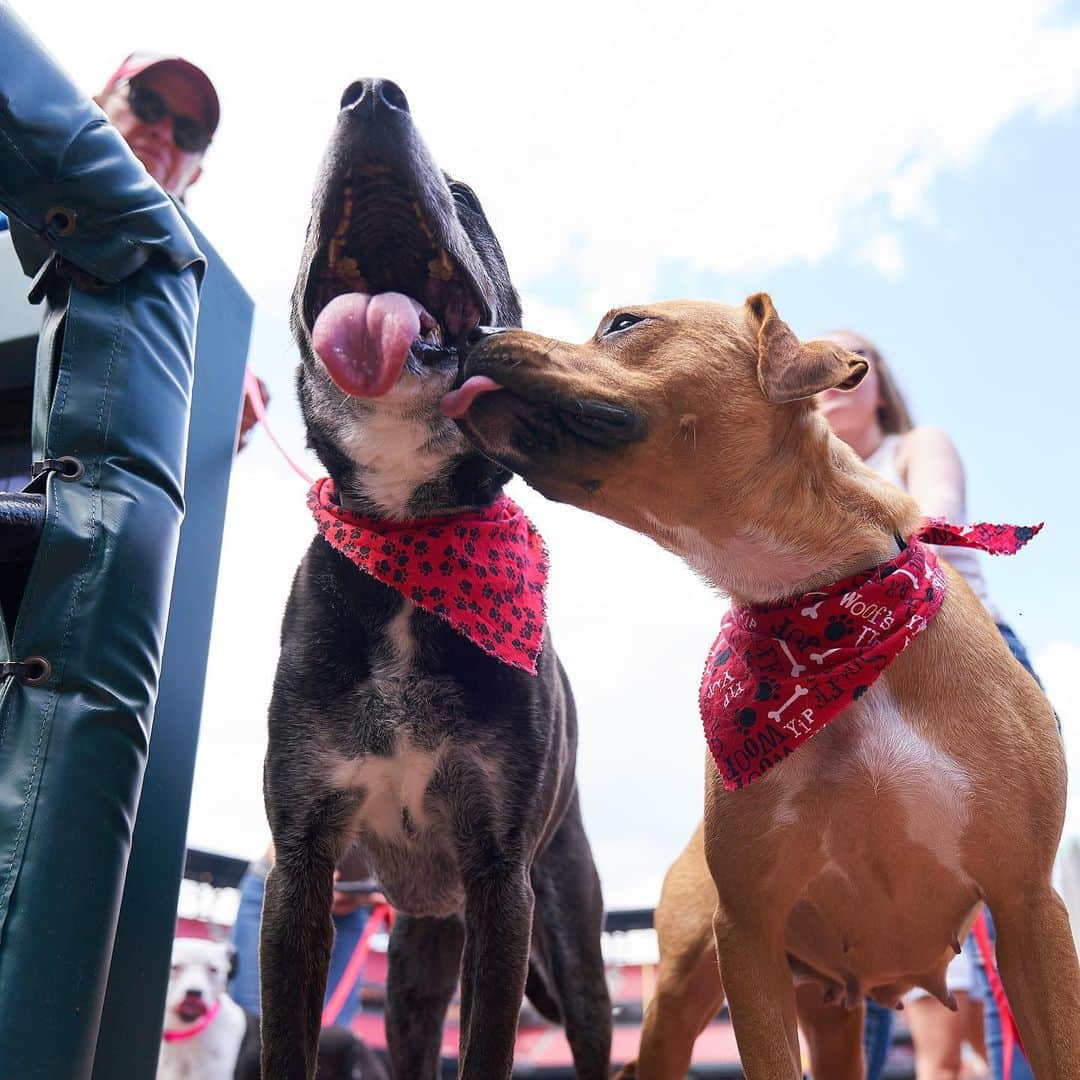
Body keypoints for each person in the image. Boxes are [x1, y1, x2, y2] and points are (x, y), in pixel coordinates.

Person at [819, 329, 1036, 1080]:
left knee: (1005, 899)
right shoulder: (799, 472)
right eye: (817, 368)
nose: (837, 377)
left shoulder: (916, 446)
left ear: (881, 385)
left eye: (855, 364)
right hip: (852, 687)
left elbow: (926, 523)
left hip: (961, 666)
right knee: (847, 914)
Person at [229, 843, 384, 1026]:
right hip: (279, 890)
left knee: (333, 1031)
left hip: (349, 909)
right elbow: (285, 834)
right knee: (252, 1019)